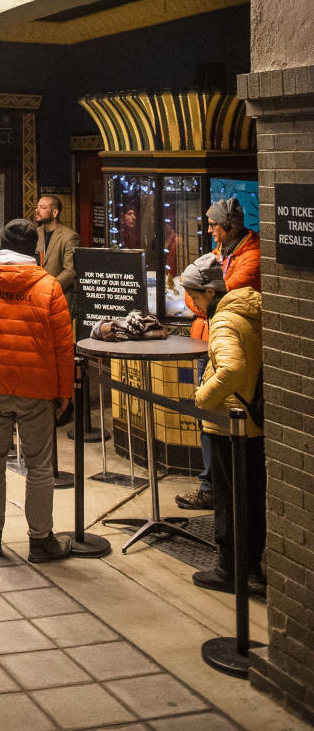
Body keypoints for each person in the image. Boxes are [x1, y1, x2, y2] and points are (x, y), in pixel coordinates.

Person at [0, 217, 74, 564]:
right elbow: (63, 346)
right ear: (33, 251)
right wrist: (64, 391)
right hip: (37, 389)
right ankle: (40, 541)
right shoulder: (49, 287)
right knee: (39, 466)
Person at [179, 252, 265, 595]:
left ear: (211, 292)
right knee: (251, 497)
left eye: (197, 296)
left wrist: (202, 398)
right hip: (253, 423)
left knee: (229, 501)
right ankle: (251, 565)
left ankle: (229, 570)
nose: (195, 304)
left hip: (229, 422)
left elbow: (230, 368)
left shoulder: (226, 321)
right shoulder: (250, 312)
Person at [177, 198, 261, 511]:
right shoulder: (218, 253)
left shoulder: (252, 256)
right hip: (206, 340)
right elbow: (194, 294)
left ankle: (219, 489)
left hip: (230, 341)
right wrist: (199, 301)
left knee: (224, 416)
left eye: (214, 224)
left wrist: (204, 302)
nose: (209, 229)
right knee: (210, 424)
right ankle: (211, 485)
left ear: (229, 225)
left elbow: (219, 294)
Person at [33, 194, 77, 315]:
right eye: (37, 207)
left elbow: (70, 271)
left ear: (55, 212)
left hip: (59, 298)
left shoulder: (69, 236)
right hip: (35, 297)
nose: (37, 210)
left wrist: (49, 287)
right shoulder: (35, 233)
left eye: (42, 207)